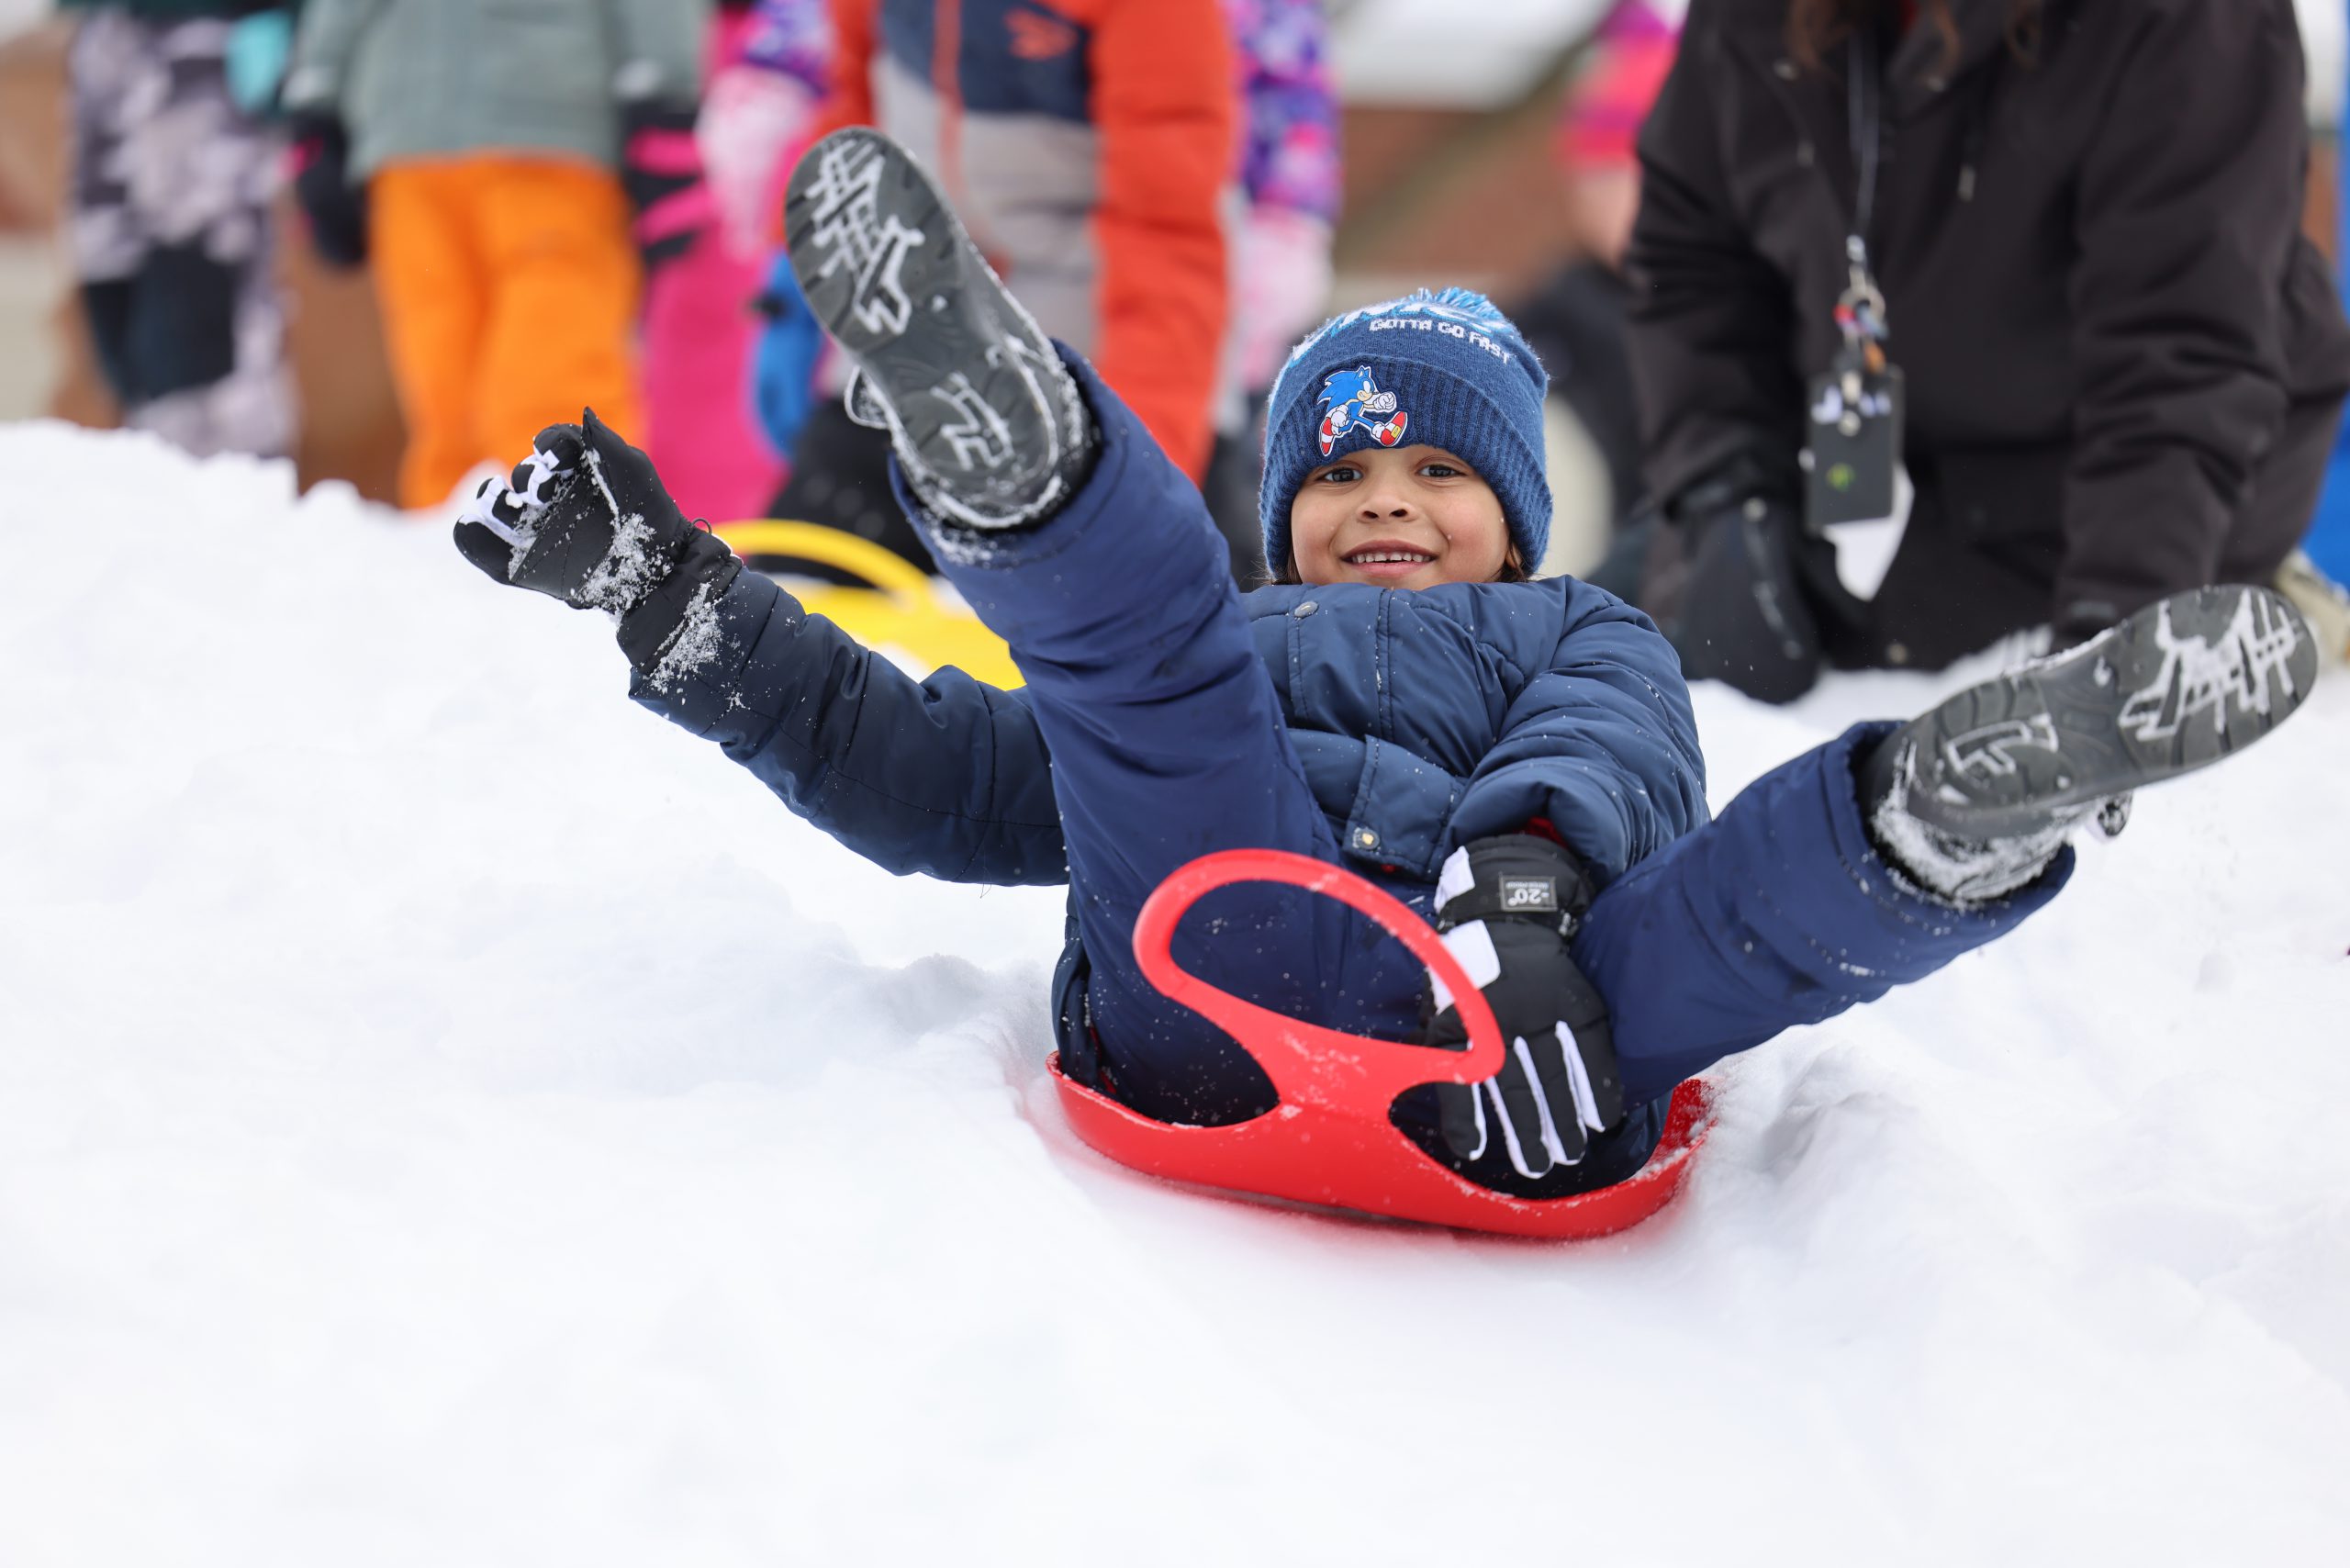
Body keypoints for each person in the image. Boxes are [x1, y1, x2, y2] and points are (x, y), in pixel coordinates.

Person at [450, 130, 2318, 1200]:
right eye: (1336, 472)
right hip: (1207, 984)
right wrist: (665, 596)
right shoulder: (1243, 627)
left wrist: (1519, 890)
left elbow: (1617, 742)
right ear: (1288, 513)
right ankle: (1014, 462)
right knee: (1147, 679)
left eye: (1437, 467)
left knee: (1727, 920)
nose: (1383, 503)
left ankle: (1951, 812)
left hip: (1530, 1037)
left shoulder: (1570, 623)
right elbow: (924, 770)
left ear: (1517, 508)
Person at [1627, 0, 2350, 701]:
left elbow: (2183, 354)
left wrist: (2112, 639)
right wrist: (1726, 491)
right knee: (1591, 651)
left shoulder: (2189, 19)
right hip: (1885, 481)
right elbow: (1694, 256)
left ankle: (2246, 614)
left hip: (2133, 498)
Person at [281, 0, 706, 510]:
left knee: (453, 383)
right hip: (544, 121)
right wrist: (665, 95)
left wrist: (317, 96)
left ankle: (482, 533)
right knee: (525, 378)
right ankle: (560, 531)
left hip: (419, 122)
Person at [62, 0, 294, 460]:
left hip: (212, 30)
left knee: (204, 280)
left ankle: (236, 479)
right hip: (113, 30)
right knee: (123, 306)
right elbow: (95, 196)